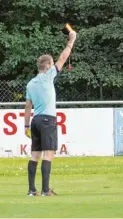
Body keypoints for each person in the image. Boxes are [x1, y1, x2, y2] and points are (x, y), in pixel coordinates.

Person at [24, 29, 77, 196]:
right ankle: (46, 190)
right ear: (47, 66)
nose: (55, 65)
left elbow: (27, 106)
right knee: (49, 153)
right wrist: (71, 40)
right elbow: (63, 58)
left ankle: (32, 190)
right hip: (48, 120)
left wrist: (26, 124)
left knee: (34, 155)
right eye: (52, 63)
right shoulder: (48, 76)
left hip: (36, 120)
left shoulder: (30, 83)